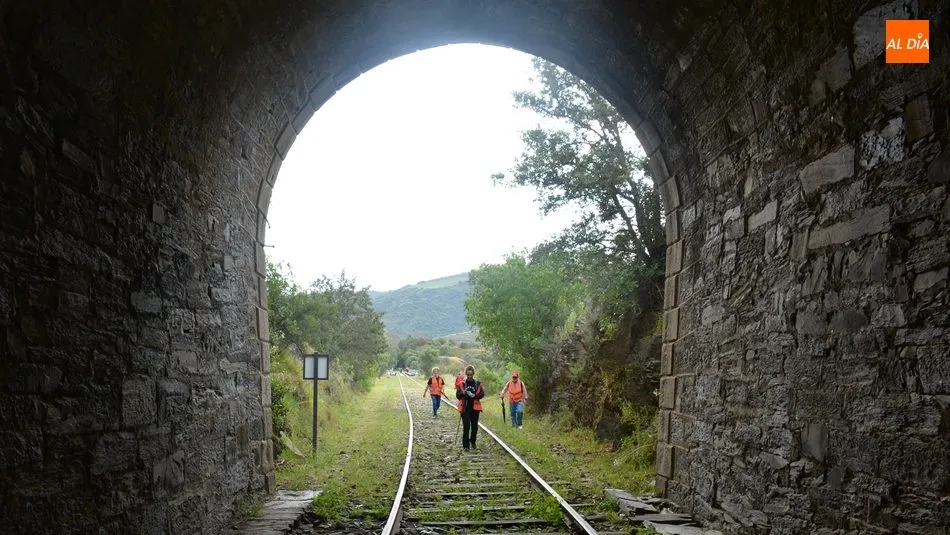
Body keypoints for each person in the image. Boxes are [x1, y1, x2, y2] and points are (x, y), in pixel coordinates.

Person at [455, 365, 484, 450]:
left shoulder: (477, 383)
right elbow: (458, 396)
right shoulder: (462, 384)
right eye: (468, 375)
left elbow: (482, 394)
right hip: (465, 408)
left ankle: (473, 441)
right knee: (466, 426)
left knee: (475, 427)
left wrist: (476, 395)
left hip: (475, 409)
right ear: (466, 374)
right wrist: (463, 393)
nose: (470, 376)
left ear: (473, 374)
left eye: (471, 375)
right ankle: (466, 446)